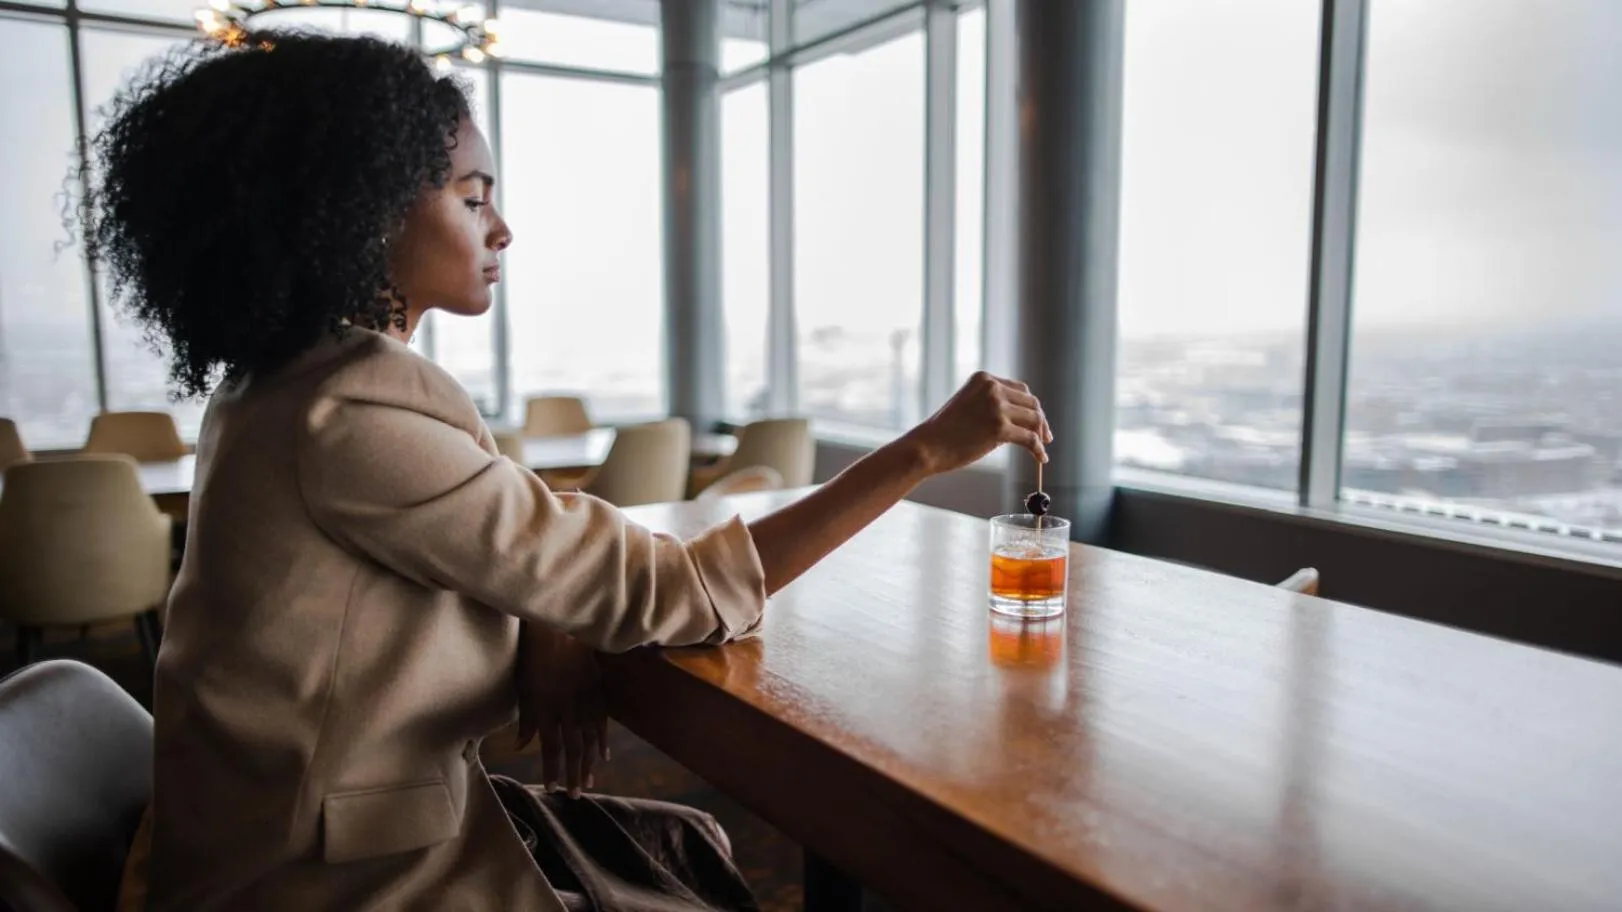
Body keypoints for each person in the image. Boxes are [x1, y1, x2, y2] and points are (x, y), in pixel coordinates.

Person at [85, 32, 1051, 912]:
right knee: (692, 866)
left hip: (266, 835)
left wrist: (549, 612)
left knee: (688, 846)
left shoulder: (279, 386)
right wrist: (923, 452)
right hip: (323, 879)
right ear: (360, 213)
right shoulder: (354, 411)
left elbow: (493, 535)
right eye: (473, 198)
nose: (501, 229)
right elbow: (672, 592)